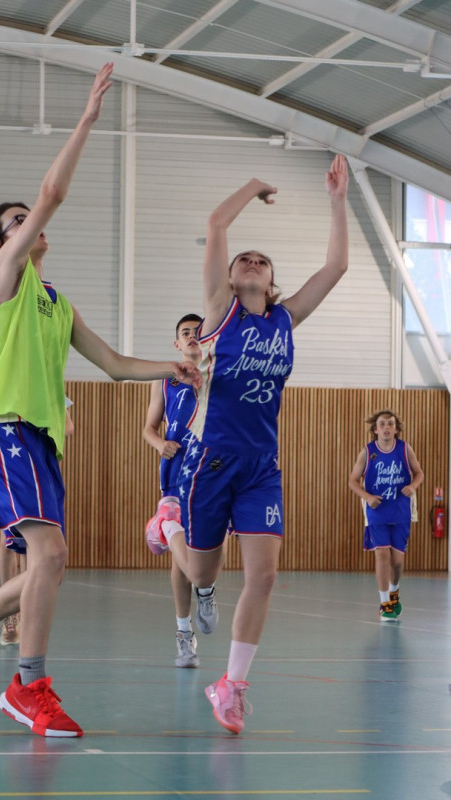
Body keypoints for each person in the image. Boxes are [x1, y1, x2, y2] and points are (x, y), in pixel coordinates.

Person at [0, 62, 200, 739]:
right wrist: (87, 119)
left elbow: (113, 364)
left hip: (40, 440)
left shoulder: (55, 302)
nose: (29, 222)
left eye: (26, 219)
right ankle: (28, 687)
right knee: (49, 556)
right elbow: (52, 192)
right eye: (16, 221)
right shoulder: (3, 280)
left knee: (50, 565)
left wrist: (172, 369)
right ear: (3, 242)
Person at [147, 154, 349, 734]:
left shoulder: (284, 319)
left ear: (271, 280)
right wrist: (254, 186)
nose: (253, 261)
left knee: (264, 575)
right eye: (244, 259)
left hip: (261, 465)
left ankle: (231, 686)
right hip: (209, 461)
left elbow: (336, 267)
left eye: (262, 260)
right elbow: (217, 224)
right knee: (200, 573)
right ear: (232, 278)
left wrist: (338, 200)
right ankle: (169, 526)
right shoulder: (220, 311)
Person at [144, 313, 221, 668]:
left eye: (197, 332)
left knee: (202, 549)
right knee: (178, 548)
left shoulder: (217, 376)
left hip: (209, 472)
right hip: (175, 475)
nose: (191, 336)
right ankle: (183, 635)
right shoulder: (165, 380)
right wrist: (159, 443)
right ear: (177, 343)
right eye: (185, 332)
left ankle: (205, 588)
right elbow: (148, 427)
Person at [0, 403, 73, 646]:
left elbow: (68, 427)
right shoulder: (9, 392)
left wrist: (43, 427)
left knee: (34, 548)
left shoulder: (50, 392)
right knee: (7, 540)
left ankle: (24, 607)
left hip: (39, 468)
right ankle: (9, 615)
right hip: (12, 463)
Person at [348, 409, 424, 622]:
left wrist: (413, 486)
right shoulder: (367, 452)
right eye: (382, 424)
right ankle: (385, 604)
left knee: (397, 561)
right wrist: (367, 496)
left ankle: (394, 592)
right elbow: (352, 480)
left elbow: (419, 473)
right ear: (375, 429)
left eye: (390, 423)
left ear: (396, 429)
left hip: (400, 509)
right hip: (377, 510)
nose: (386, 427)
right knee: (382, 554)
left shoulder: (405, 449)